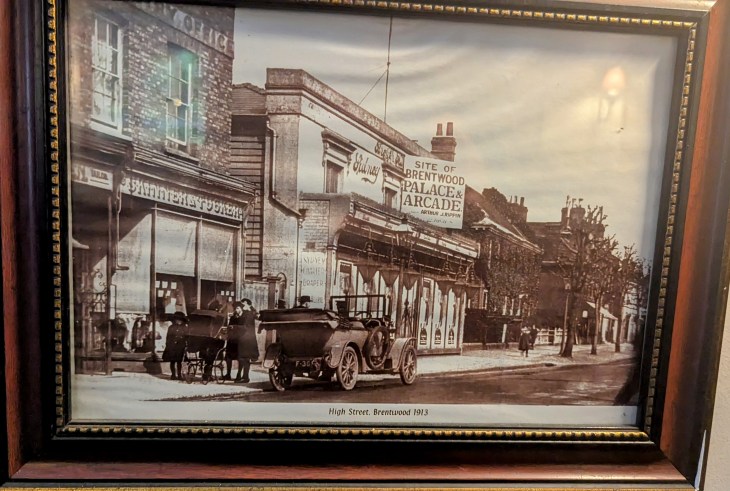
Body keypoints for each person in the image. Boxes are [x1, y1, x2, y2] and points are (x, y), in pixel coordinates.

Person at [227, 299, 260, 383]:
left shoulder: (248, 315)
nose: (236, 310)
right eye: (235, 308)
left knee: (245, 358)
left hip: (247, 340)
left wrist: (234, 327)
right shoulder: (234, 317)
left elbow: (246, 327)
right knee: (236, 356)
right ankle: (234, 375)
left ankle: (245, 377)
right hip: (237, 339)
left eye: (238, 308)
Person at [162, 311, 187, 380]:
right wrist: (168, 345)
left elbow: (186, 337)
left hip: (180, 346)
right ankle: (173, 374)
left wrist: (185, 344)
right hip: (172, 346)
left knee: (179, 361)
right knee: (172, 361)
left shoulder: (184, 328)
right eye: (177, 320)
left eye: (180, 320)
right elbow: (168, 337)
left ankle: (179, 375)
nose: (178, 321)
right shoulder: (171, 327)